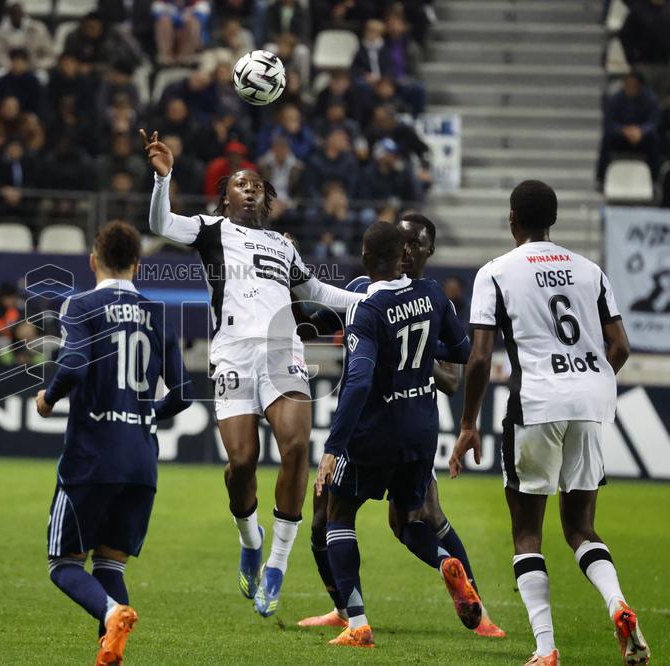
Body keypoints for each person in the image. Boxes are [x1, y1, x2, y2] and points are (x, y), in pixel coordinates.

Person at [140, 128, 365, 617]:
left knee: (298, 447)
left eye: (256, 185)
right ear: (225, 198)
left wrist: (369, 301)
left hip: (283, 349)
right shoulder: (209, 230)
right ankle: (250, 538)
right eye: (239, 184)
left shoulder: (284, 247)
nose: (249, 189)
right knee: (241, 461)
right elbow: (160, 224)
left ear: (268, 198)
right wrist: (164, 179)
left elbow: (318, 293)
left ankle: (277, 565)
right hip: (233, 353)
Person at [449, 181, 650, 666]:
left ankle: (545, 648)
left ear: (513, 218)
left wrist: (469, 423)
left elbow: (479, 357)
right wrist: (589, 380)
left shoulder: (496, 272)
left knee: (527, 536)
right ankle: (616, 603)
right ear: (552, 220)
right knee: (581, 528)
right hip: (590, 403)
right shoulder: (590, 270)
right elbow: (619, 346)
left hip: (535, 402)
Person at [298, 215, 505, 639]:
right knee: (408, 520)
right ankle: (447, 568)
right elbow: (464, 349)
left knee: (338, 515)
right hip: (420, 428)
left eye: (418, 243)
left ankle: (357, 621)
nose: (410, 249)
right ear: (400, 253)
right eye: (406, 242)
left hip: (374, 429)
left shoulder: (369, 304)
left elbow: (361, 379)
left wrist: (334, 445)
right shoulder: (431, 295)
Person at [35, 221, 192, 666]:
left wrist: (47, 398)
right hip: (142, 461)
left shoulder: (80, 304)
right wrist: (144, 415)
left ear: (93, 261)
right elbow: (182, 393)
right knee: (110, 566)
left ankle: (111, 613)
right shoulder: (158, 311)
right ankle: (109, 649)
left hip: (93, 457)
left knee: (63, 563)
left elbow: (74, 366)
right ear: (137, 266)